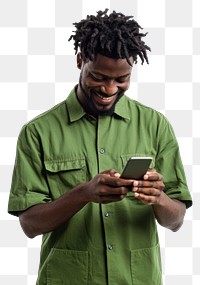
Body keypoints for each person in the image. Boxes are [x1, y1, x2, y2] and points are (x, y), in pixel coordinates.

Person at [8, 9, 192, 285]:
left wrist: (158, 198)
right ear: (80, 60)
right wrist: (83, 193)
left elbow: (175, 221)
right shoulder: (38, 132)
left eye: (121, 80)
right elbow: (30, 226)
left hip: (138, 279)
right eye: (99, 77)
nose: (109, 89)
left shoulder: (156, 125)